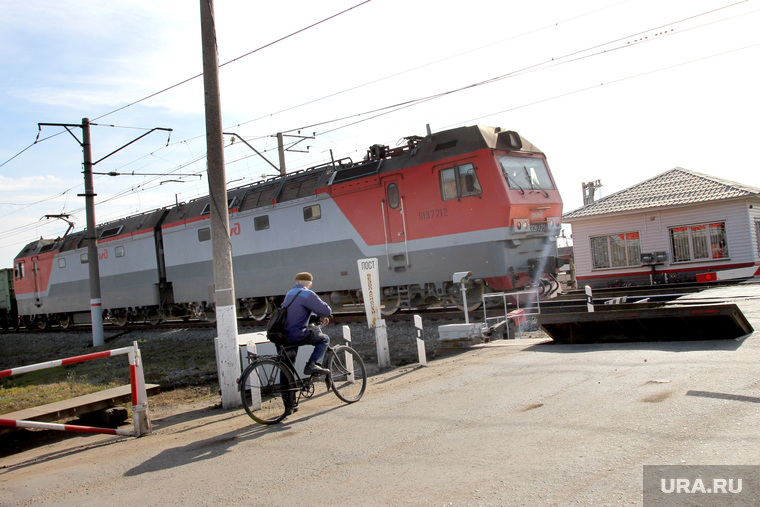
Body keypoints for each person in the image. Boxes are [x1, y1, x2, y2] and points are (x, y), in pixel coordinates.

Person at [282, 272, 332, 376]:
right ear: (310, 285)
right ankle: (312, 365)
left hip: (283, 334)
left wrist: (316, 318)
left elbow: (296, 315)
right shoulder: (307, 293)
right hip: (296, 335)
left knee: (287, 367)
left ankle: (287, 392)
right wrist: (322, 315)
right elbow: (326, 311)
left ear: (297, 282)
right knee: (324, 339)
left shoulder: (289, 293)